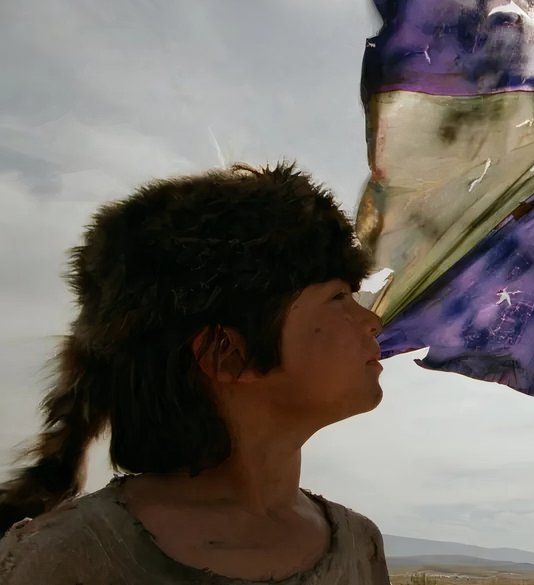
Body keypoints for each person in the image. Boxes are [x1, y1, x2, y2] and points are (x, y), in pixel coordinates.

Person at [0, 163, 392, 584]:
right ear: (227, 354)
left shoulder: (358, 543)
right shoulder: (71, 558)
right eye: (339, 297)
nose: (372, 321)